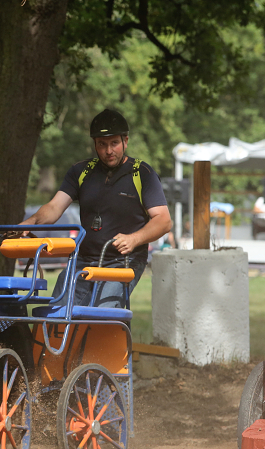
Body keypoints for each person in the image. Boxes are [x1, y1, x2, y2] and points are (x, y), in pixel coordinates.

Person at [21, 109, 172, 308]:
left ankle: (110, 335)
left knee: (103, 313)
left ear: (125, 141)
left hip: (124, 261)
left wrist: (134, 239)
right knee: (57, 311)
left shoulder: (142, 173)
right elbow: (54, 207)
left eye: (114, 143)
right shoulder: (80, 171)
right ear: (95, 144)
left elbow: (164, 220)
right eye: (102, 144)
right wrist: (30, 222)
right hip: (83, 260)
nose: (109, 151)